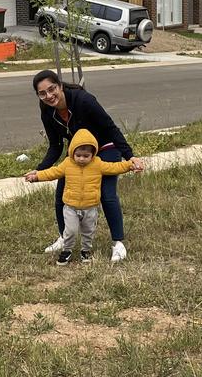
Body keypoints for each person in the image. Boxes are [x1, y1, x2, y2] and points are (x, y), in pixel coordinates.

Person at [24, 69, 144, 262]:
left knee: (106, 193)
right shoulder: (47, 109)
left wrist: (131, 157)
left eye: (52, 89)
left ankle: (118, 243)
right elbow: (55, 146)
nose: (49, 96)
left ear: (60, 86)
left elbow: (111, 128)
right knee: (62, 193)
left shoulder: (83, 100)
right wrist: (41, 169)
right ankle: (65, 237)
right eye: (42, 93)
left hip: (106, 146)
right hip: (79, 152)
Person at [25, 129, 138, 264]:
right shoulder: (67, 164)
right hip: (71, 207)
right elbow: (52, 172)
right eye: (78, 155)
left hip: (90, 208)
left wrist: (130, 165)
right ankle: (66, 250)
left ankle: (86, 251)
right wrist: (37, 177)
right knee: (70, 230)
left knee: (88, 232)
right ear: (72, 152)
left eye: (86, 156)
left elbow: (114, 167)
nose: (81, 159)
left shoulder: (98, 164)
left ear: (93, 154)